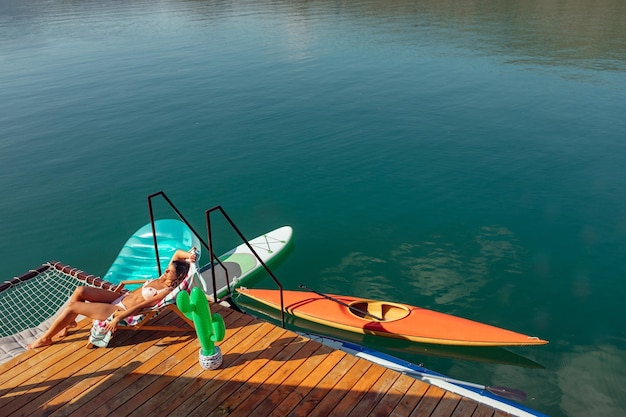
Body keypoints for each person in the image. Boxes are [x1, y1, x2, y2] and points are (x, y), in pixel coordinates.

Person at [27, 248, 197, 349]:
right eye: (168, 269)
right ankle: (68, 324)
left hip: (120, 310)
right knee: (80, 290)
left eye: (169, 272)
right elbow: (177, 253)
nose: (166, 271)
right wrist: (190, 257)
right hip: (122, 297)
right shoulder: (164, 275)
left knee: (72, 306)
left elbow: (142, 306)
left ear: (177, 277)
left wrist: (118, 319)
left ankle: (46, 339)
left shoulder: (166, 290)